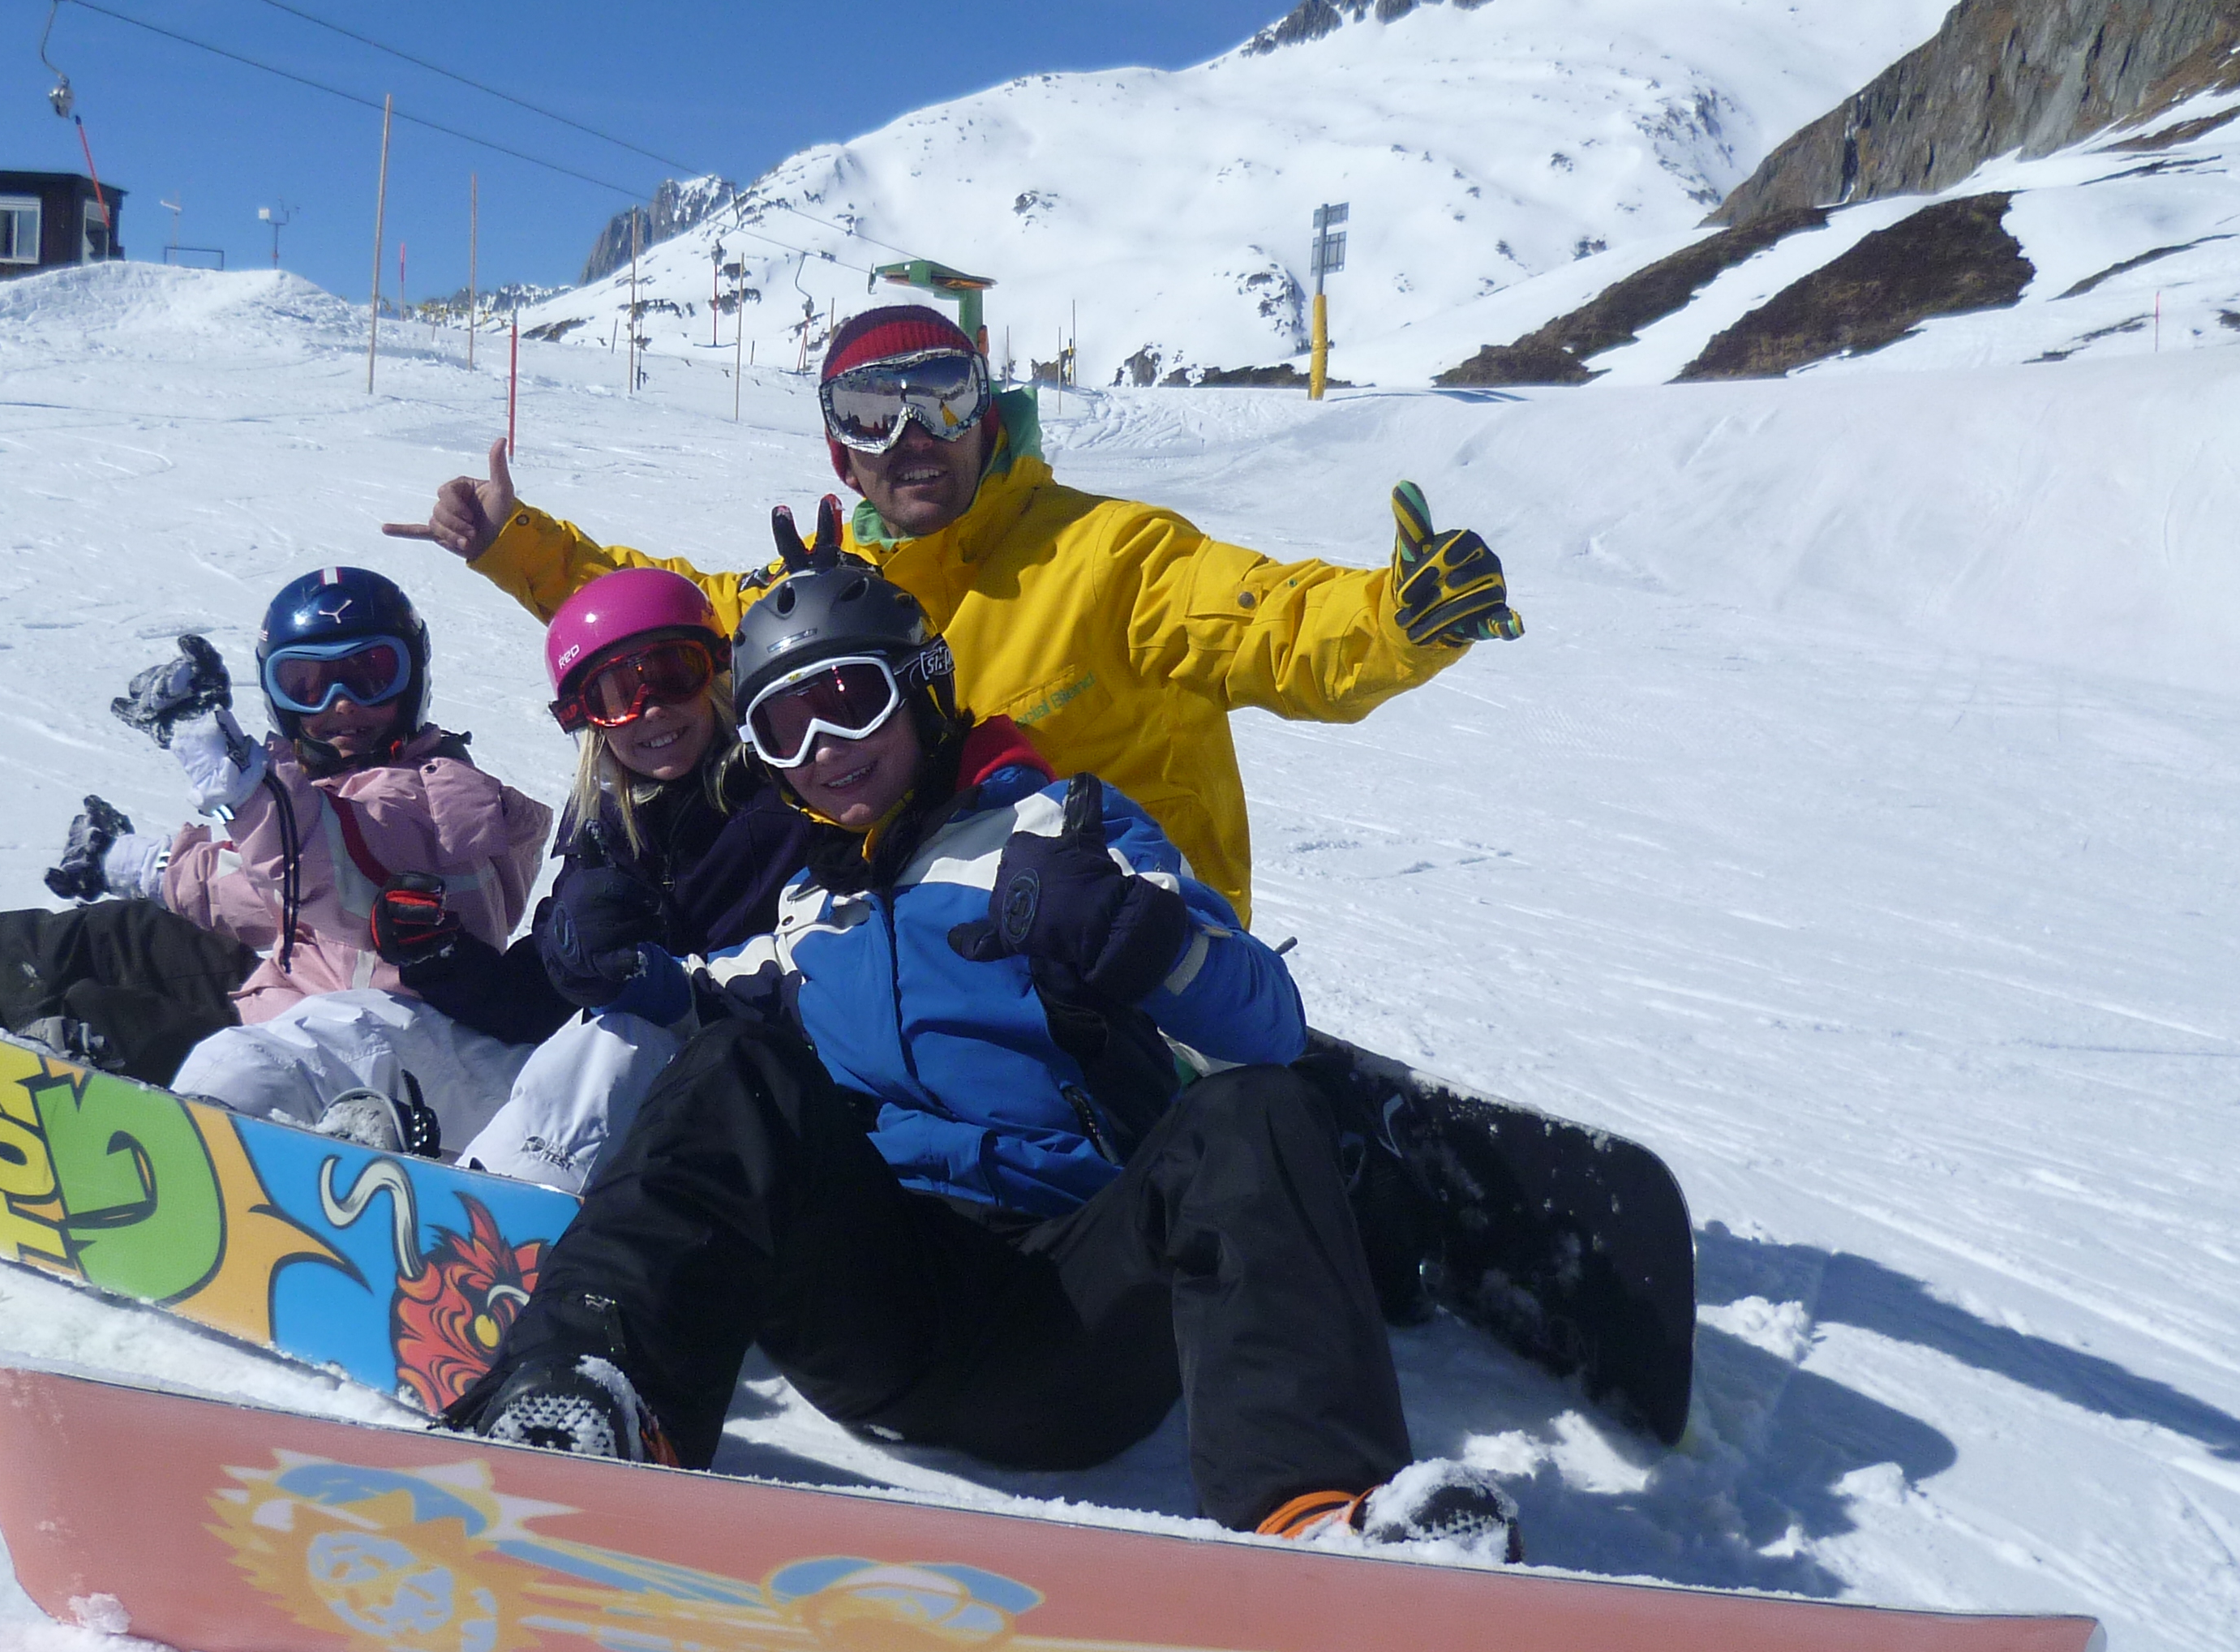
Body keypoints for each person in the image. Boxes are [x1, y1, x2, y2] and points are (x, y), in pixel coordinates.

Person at [441, 517, 1523, 1564]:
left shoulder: (1062, 831)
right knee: (733, 1070)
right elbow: (685, 1046)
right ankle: (586, 1399)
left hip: (1074, 1322)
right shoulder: (812, 906)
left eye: (850, 702)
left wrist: (1136, 940)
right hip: (882, 1310)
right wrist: (596, 961)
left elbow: (1267, 1025)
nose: (825, 751)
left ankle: (1322, 1512)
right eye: (785, 729)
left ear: (923, 689)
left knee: (1256, 1110)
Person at [384, 302, 1521, 922]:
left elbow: (1270, 620)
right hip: (930, 940)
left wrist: (1397, 618)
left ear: (989, 414)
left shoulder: (1108, 554)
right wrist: (512, 544)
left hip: (1124, 937)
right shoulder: (834, 594)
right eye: (873, 413)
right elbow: (667, 618)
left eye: (941, 397)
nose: (910, 437)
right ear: (839, 446)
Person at [0, 568, 552, 1139]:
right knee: (122, 935)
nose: (342, 706)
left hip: (355, 1044)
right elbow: (253, 885)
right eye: (308, 683)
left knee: (109, 1018)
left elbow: (343, 876)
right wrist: (134, 863)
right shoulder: (320, 795)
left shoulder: (450, 801)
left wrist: (245, 783)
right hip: (282, 988)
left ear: (415, 680)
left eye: (370, 676)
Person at [393, 565, 812, 1190]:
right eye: (616, 696)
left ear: (718, 674)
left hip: (762, 1088)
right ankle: (253, 1109)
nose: (650, 712)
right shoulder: (608, 823)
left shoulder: (784, 801)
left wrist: (654, 983)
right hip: (645, 1101)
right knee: (381, 1018)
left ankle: (486, 1221)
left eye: (672, 676)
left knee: (619, 1037)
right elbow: (536, 1004)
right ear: (585, 719)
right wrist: (443, 960)